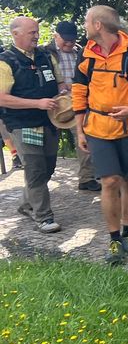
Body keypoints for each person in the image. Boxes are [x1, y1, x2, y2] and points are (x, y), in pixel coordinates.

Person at [72, 5, 128, 265]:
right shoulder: (86, 55)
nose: (85, 26)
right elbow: (79, 93)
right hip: (97, 128)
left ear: (98, 25)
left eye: (87, 21)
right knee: (110, 181)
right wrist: (80, 130)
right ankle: (114, 240)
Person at [0, 16, 64, 233]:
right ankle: (44, 216)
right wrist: (37, 103)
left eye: (37, 32)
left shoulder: (47, 56)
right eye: (32, 33)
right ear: (15, 34)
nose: (36, 36)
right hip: (23, 124)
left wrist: (64, 93)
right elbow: (2, 98)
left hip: (50, 121)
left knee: (48, 168)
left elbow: (60, 82)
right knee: (35, 169)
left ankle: (27, 204)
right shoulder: (6, 62)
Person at [40, 21, 99, 191]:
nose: (69, 43)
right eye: (65, 40)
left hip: (78, 103)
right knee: (48, 145)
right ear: (56, 36)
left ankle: (86, 177)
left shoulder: (81, 52)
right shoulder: (44, 53)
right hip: (53, 105)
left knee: (84, 138)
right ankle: (39, 182)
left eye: (72, 40)